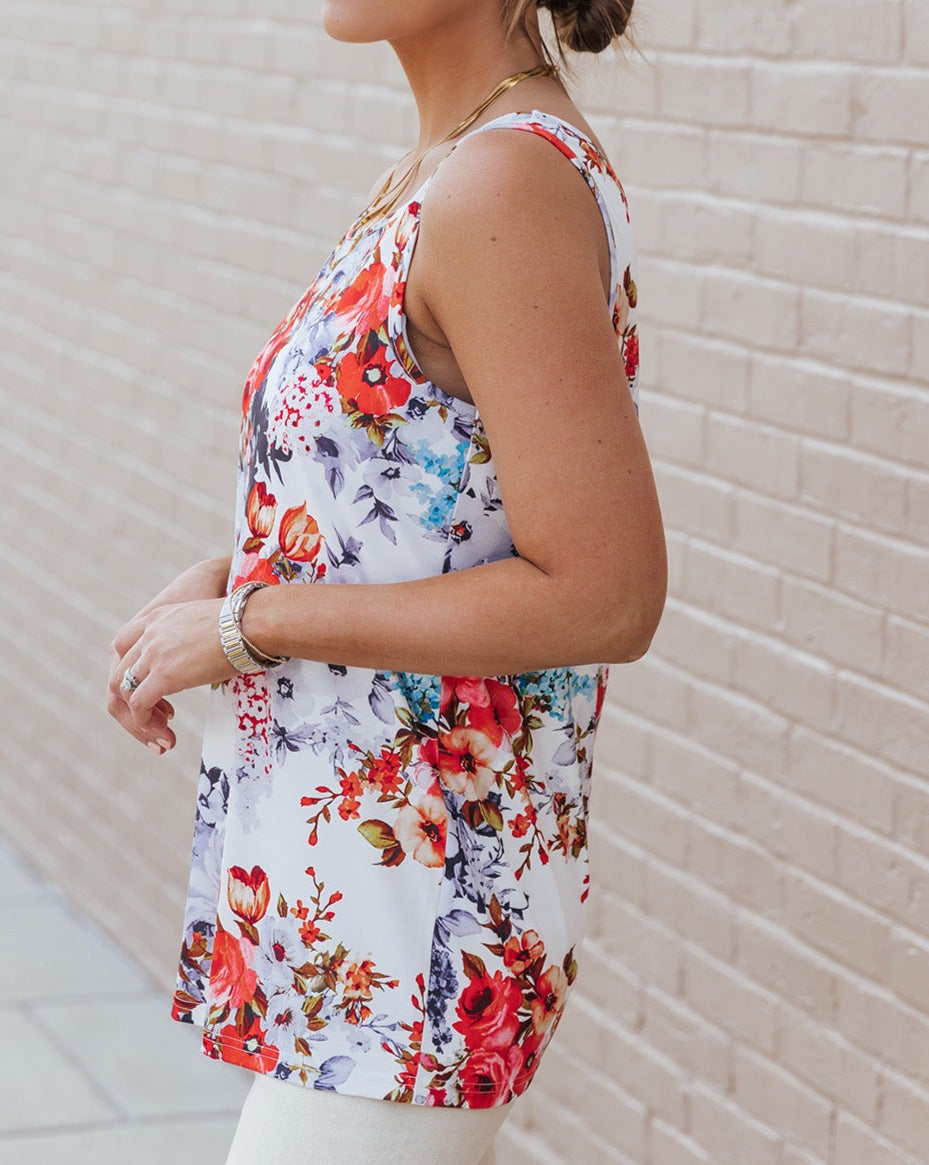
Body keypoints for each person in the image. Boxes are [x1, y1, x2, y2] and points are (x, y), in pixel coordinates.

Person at [106, 0, 666, 1160]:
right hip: (363, 930)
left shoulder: (500, 186)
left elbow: (605, 590)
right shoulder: (437, 170)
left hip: (422, 940)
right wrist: (222, 585)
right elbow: (429, 515)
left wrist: (251, 623)